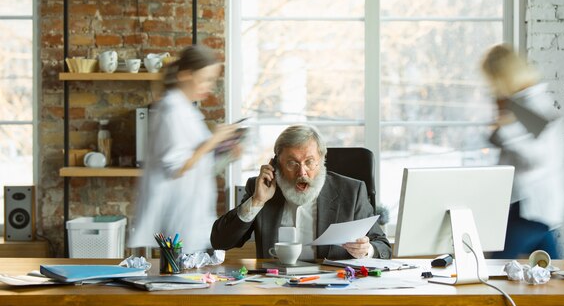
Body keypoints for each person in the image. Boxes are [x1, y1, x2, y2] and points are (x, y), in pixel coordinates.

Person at [211, 125, 391, 260]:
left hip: (332, 289)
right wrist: (257, 201)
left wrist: (367, 250)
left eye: (309, 162)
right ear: (276, 164)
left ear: (321, 160)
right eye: (292, 163)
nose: (302, 172)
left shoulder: (351, 191)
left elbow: (383, 247)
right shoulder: (260, 189)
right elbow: (220, 242)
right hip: (275, 289)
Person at [128, 45, 241, 253]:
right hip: (178, 219)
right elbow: (178, 166)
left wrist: (224, 151)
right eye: (206, 79)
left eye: (213, 80)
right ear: (185, 75)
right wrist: (213, 140)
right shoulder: (171, 111)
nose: (211, 85)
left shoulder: (187, 110)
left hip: (193, 215)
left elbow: (198, 160)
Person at [481, 44, 564, 259]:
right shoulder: (518, 103)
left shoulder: (534, 104)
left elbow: (539, 160)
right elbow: (501, 141)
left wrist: (506, 130)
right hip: (531, 207)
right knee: (554, 275)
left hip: (530, 206)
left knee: (496, 271)